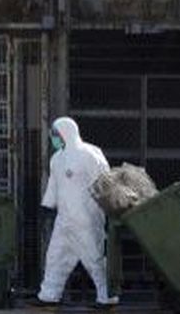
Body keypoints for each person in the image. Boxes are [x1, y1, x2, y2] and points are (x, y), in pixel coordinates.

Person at [30, 116, 119, 309]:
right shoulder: (57, 159)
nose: (54, 138)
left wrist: (109, 205)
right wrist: (47, 207)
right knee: (55, 257)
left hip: (86, 219)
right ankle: (48, 295)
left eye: (55, 134)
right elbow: (54, 185)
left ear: (65, 132)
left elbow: (104, 182)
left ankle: (107, 298)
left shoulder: (89, 154)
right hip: (64, 220)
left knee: (94, 259)